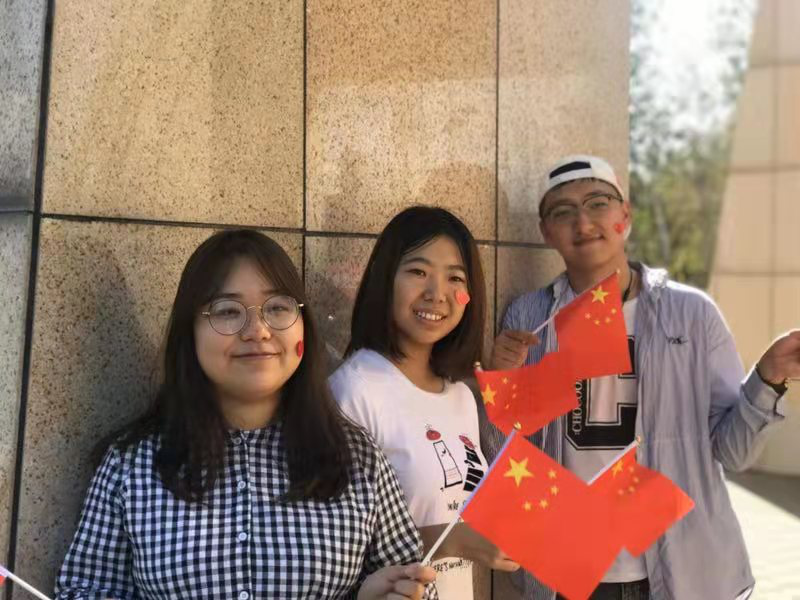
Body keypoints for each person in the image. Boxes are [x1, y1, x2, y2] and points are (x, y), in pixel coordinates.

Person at [55, 229, 436, 600]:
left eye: (278, 308)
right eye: (227, 311)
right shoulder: (132, 463)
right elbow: (83, 589)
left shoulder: (356, 457)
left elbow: (417, 581)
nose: (258, 330)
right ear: (190, 332)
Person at [488, 155, 800, 600]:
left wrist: (768, 380)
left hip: (678, 571)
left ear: (626, 214)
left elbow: (734, 452)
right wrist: (502, 384)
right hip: (570, 572)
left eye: (598, 203)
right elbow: (508, 455)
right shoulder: (530, 317)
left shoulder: (690, 314)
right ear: (546, 232)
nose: (583, 222)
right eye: (563, 211)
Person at [329, 207, 520, 600]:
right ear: (385, 279)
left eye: (455, 278)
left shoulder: (460, 396)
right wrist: (455, 539)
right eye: (418, 272)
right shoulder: (355, 390)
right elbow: (335, 541)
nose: (437, 293)